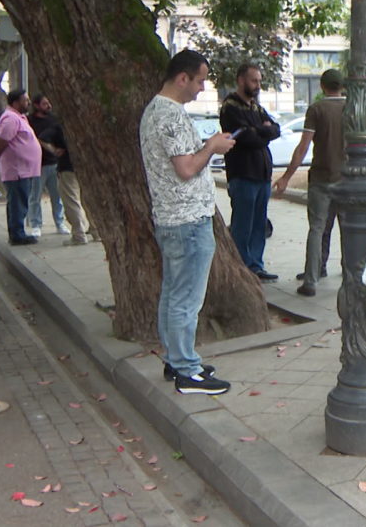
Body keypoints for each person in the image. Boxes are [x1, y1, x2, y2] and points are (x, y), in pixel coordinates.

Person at [139, 50, 236, 395]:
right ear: (183, 78)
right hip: (188, 221)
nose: (201, 88)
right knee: (186, 299)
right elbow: (186, 168)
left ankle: (176, 359)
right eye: (199, 80)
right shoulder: (171, 115)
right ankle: (187, 371)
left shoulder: (154, 110)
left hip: (171, 219)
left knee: (173, 293)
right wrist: (212, 146)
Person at [274, 69, 346, 297]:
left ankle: (311, 280)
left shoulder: (316, 109)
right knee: (347, 229)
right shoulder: (351, 108)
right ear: (342, 86)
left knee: (317, 229)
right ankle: (349, 274)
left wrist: (286, 177)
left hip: (321, 179)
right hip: (346, 180)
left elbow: (303, 146)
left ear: (322, 86)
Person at [219, 63, 281, 282]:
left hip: (262, 174)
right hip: (243, 173)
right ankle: (241, 268)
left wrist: (261, 130)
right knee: (243, 225)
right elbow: (245, 137)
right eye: (254, 81)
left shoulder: (256, 107)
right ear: (241, 80)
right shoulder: (230, 106)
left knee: (258, 224)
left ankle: (256, 266)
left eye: (259, 81)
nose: (257, 85)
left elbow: (276, 130)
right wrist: (263, 131)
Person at [37, 121, 97, 246]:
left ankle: (79, 234)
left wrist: (54, 150)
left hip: (68, 167)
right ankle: (97, 231)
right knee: (88, 200)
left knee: (71, 201)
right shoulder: (85, 123)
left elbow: (42, 138)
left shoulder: (60, 125)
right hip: (87, 166)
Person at [0, 89, 42, 245]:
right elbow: (2, 139)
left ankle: (17, 232)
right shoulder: (10, 118)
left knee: (20, 201)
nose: (28, 103)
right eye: (25, 100)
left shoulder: (19, 117)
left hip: (25, 170)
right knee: (17, 202)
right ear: (16, 103)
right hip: (17, 171)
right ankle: (17, 235)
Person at [26, 94, 66, 236]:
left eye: (49, 103)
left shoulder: (54, 119)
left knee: (57, 195)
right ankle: (36, 224)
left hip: (54, 163)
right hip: (37, 164)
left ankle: (60, 223)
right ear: (36, 105)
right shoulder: (29, 121)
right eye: (44, 103)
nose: (48, 106)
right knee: (35, 196)